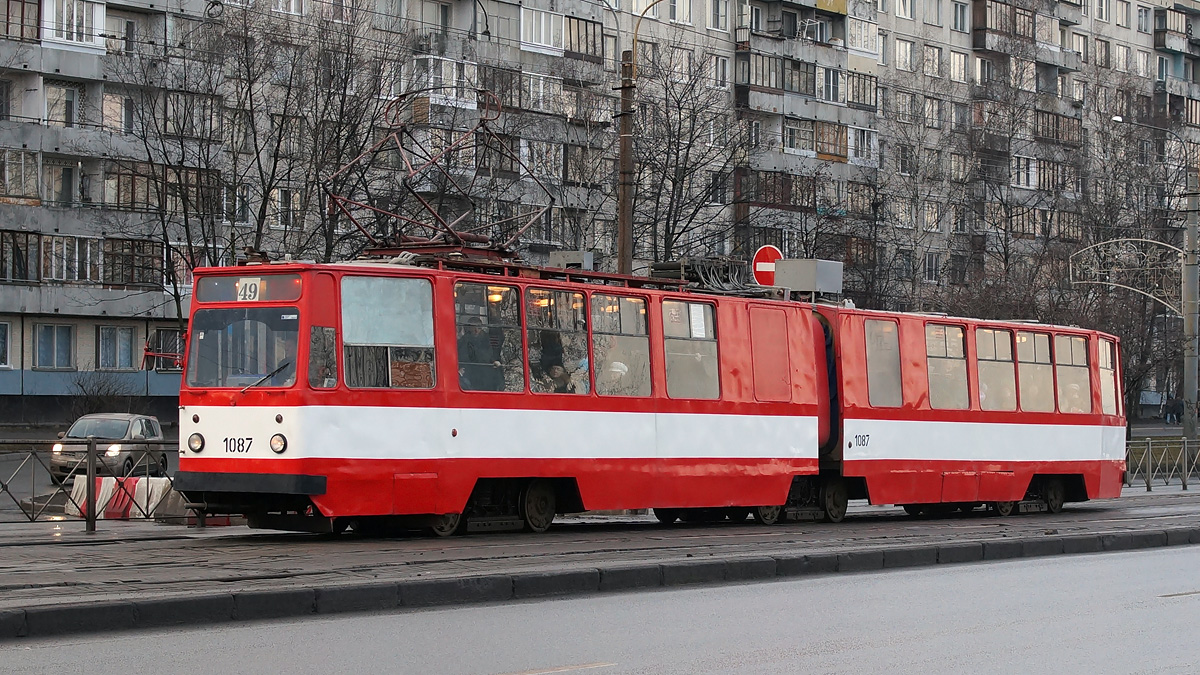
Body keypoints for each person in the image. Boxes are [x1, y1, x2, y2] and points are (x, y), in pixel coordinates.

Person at [457, 317, 502, 391]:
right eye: (473, 327)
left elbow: (492, 354)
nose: (476, 330)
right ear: (469, 328)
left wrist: (494, 361)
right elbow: (460, 355)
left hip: (485, 371)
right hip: (469, 371)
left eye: (479, 327)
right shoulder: (464, 340)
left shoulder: (488, 339)